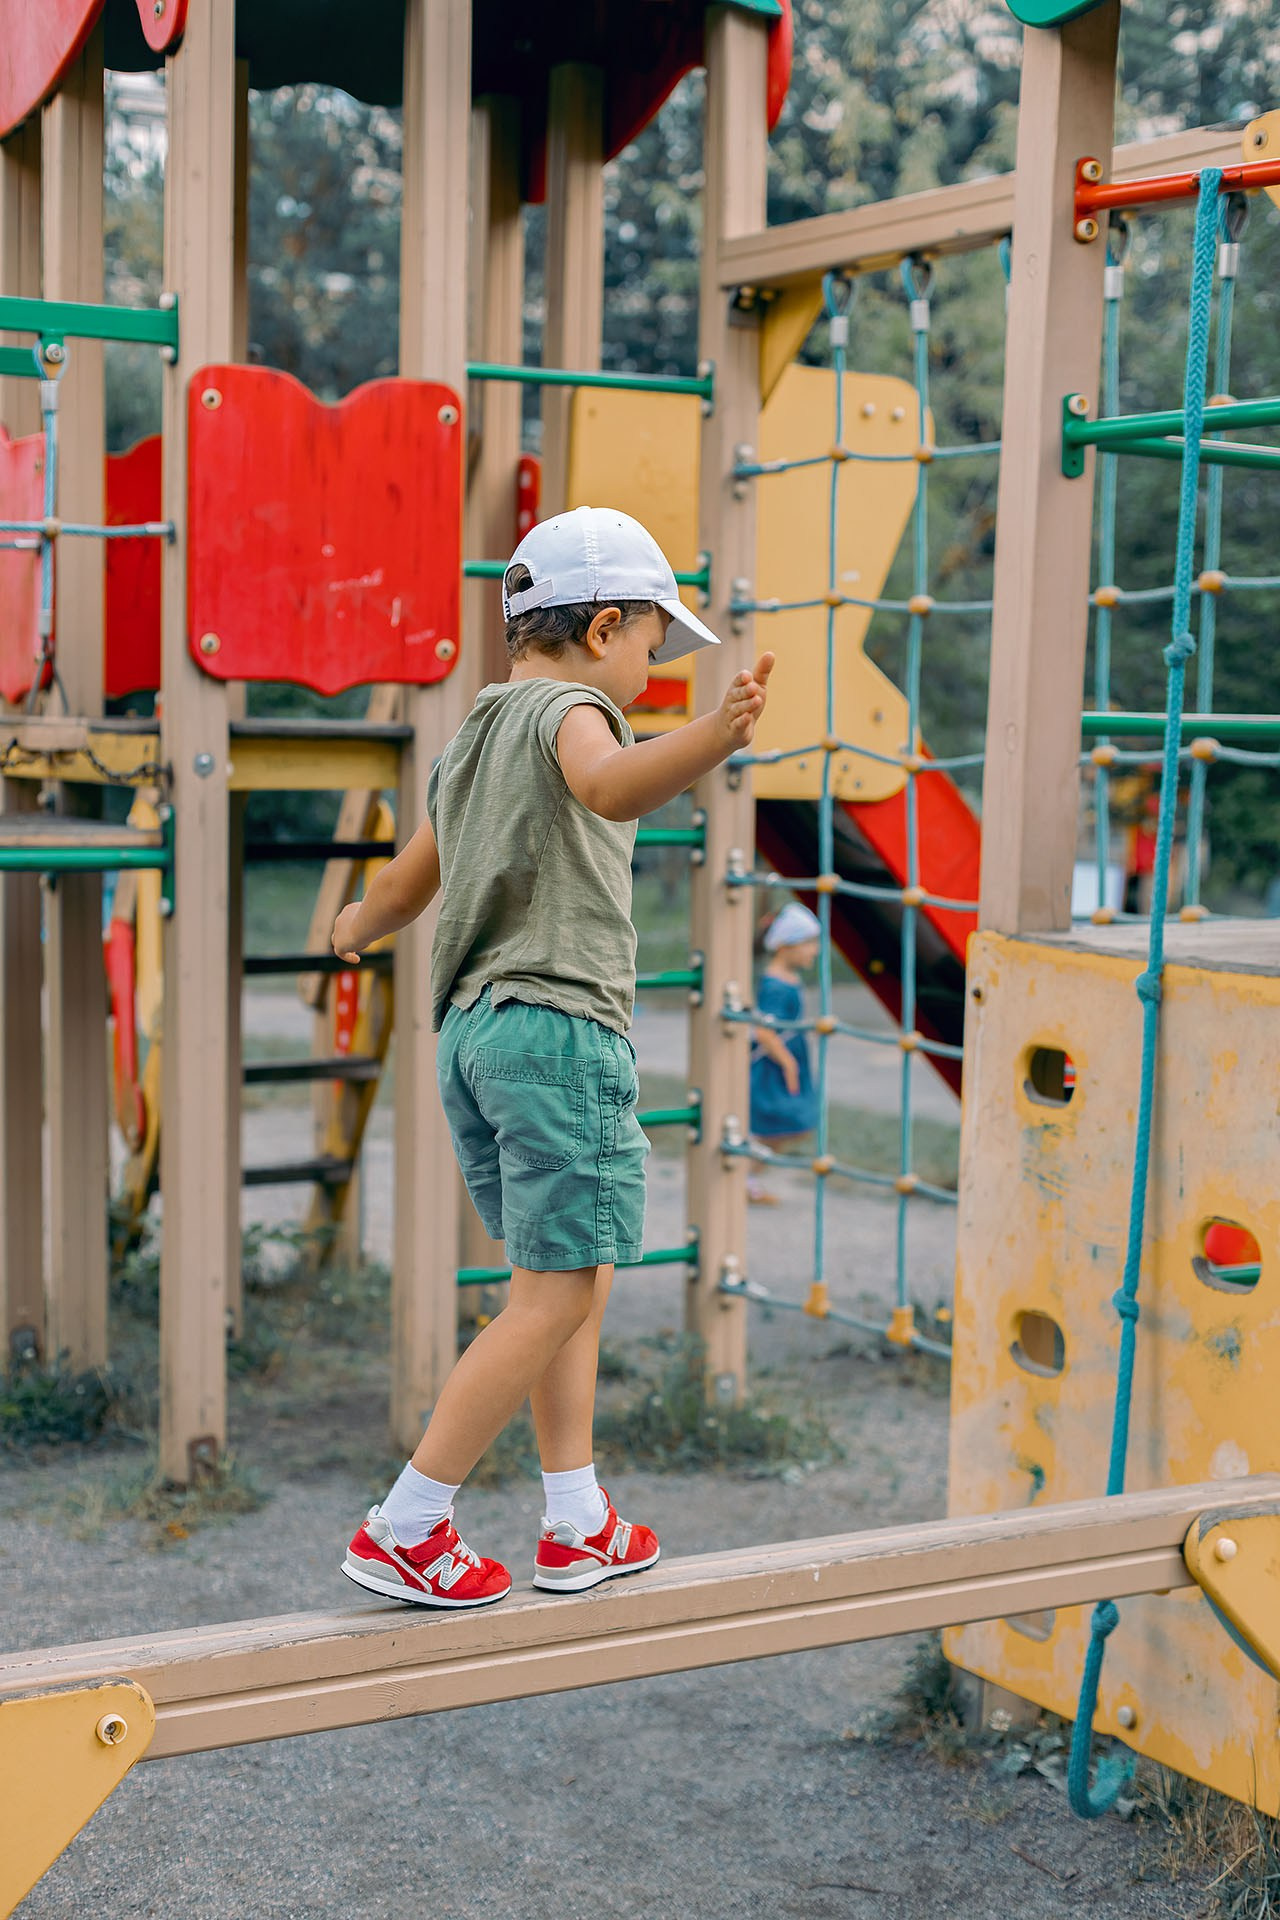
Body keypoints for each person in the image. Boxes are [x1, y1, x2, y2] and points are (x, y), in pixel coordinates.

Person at [330, 505, 775, 1608]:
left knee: (569, 1277)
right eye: (649, 649)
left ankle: (576, 1518)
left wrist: (352, 925)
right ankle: (407, 1524)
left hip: (476, 1033)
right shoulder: (575, 712)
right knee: (550, 1296)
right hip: (557, 1028)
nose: (649, 672)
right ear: (602, 628)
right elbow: (610, 786)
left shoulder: (472, 740)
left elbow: (406, 884)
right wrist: (713, 736)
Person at [747, 901, 821, 1205]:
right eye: (808, 943)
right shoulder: (775, 985)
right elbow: (764, 1030)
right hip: (774, 1063)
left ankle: (747, 1176)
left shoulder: (787, 978)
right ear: (785, 945)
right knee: (777, 1123)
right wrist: (788, 1063)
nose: (815, 950)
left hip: (786, 1058)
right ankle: (745, 1176)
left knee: (783, 1126)